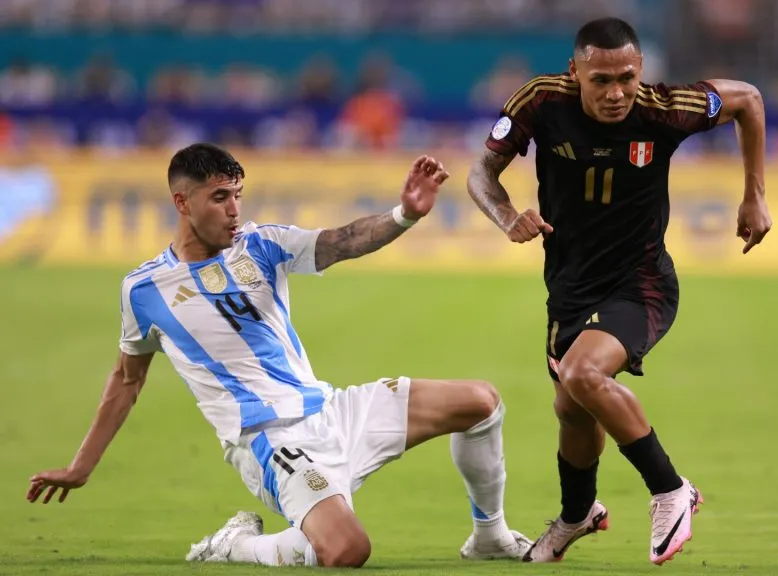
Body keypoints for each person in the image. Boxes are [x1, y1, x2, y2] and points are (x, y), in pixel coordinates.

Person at [26, 143, 532, 568]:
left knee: (480, 402)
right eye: (219, 197)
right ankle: (236, 546)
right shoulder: (144, 290)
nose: (233, 210)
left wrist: (404, 216)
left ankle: (489, 535)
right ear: (181, 203)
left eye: (237, 196)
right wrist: (81, 467)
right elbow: (127, 380)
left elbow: (343, 242)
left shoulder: (261, 245)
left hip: (333, 410)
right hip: (270, 442)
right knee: (347, 550)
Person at [466, 17, 772, 565]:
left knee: (584, 375)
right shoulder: (540, 101)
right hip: (570, 289)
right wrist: (506, 214)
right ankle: (577, 513)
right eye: (601, 79)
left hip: (642, 284)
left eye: (627, 78)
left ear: (641, 72)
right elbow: (481, 176)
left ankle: (671, 488)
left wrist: (754, 196)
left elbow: (748, 99)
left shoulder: (665, 108)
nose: (616, 93)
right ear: (574, 72)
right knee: (571, 407)